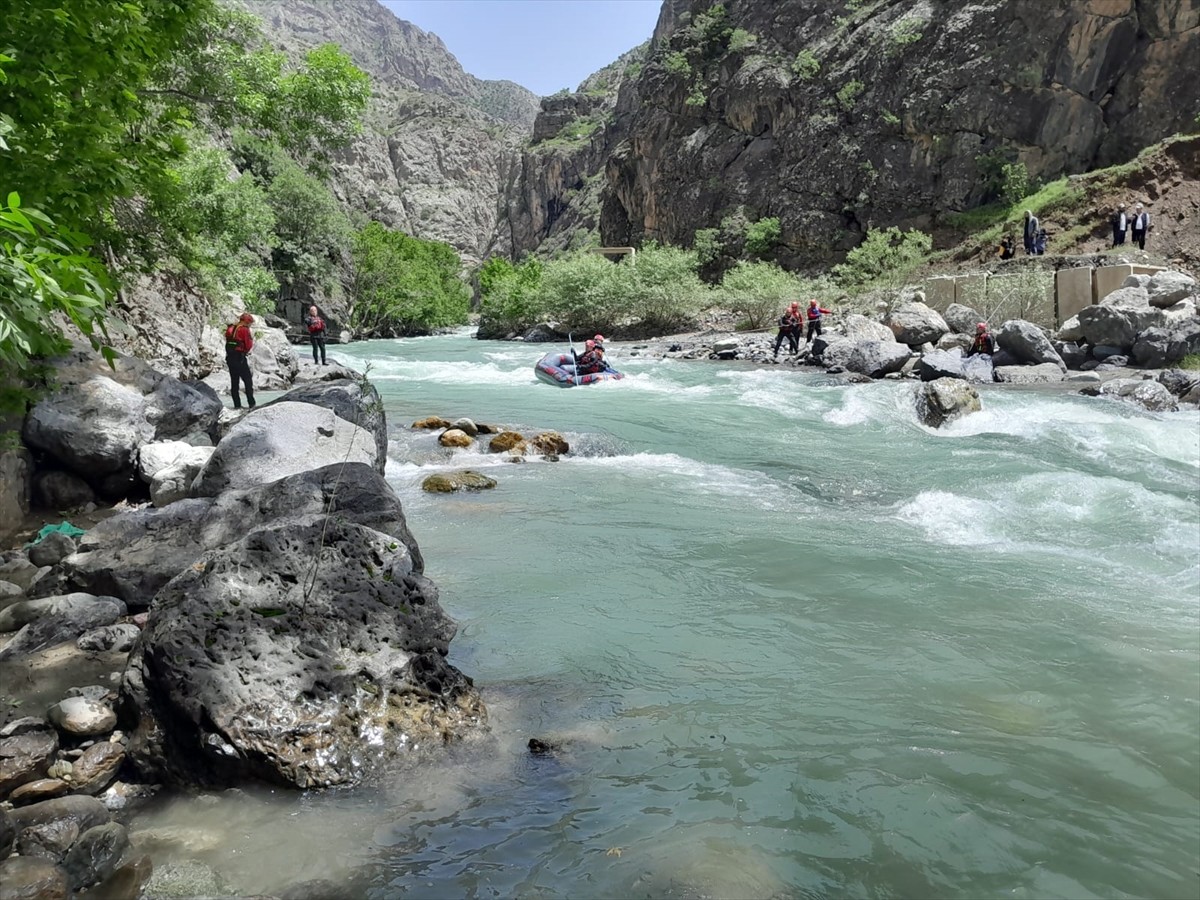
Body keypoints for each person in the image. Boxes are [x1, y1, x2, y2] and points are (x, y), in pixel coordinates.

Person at [224, 312, 256, 409]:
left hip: (230, 358)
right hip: (240, 358)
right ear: (247, 322)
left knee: (234, 382)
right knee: (248, 381)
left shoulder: (231, 328)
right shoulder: (244, 330)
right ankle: (251, 404)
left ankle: (237, 405)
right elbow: (248, 345)